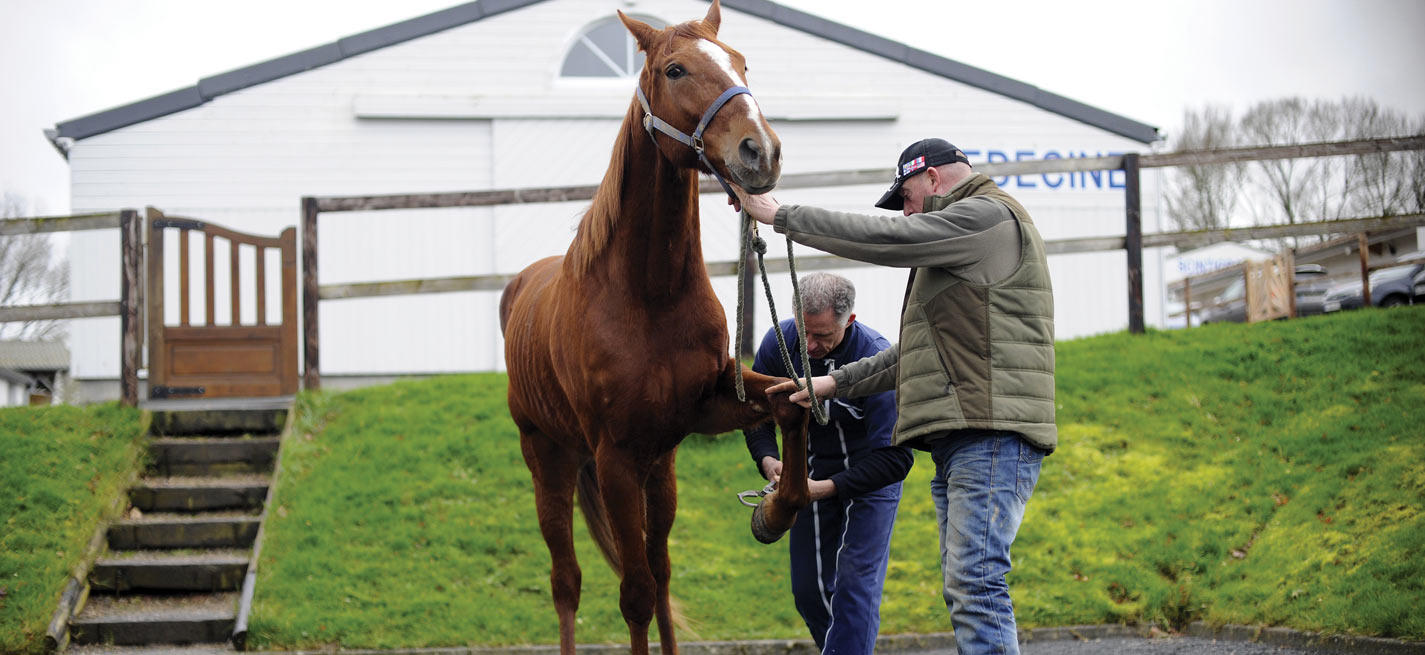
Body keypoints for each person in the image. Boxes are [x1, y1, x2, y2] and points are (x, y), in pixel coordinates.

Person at [734, 138, 1056, 655]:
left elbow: (889, 238)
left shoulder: (984, 218)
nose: (905, 211)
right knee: (966, 586)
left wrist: (782, 216)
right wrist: (829, 383)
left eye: (905, 197)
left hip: (989, 436)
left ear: (931, 179)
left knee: (975, 585)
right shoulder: (961, 251)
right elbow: (913, 355)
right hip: (963, 439)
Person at [743, 272, 909, 655]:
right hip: (808, 477)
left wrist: (826, 488)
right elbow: (756, 417)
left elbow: (896, 458)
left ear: (848, 321)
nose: (812, 346)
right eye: (806, 334)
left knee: (853, 587)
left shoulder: (876, 358)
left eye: (823, 336)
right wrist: (769, 461)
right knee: (809, 591)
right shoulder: (778, 343)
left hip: (871, 481)